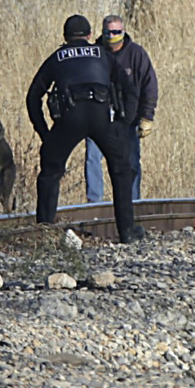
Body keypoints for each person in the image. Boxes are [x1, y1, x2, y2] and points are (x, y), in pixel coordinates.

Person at [25, 14, 146, 243]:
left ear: (65, 37)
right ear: (90, 36)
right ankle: (127, 232)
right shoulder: (103, 55)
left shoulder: (57, 57)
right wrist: (123, 123)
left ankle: (45, 233)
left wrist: (46, 135)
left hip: (69, 119)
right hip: (101, 117)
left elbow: (33, 97)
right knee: (121, 170)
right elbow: (130, 90)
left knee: (50, 173)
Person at [85, 14, 159, 203]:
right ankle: (95, 203)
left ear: (123, 31)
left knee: (132, 162)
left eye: (117, 32)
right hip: (98, 118)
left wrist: (147, 117)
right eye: (108, 32)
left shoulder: (136, 54)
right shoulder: (95, 53)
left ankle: (132, 202)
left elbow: (149, 85)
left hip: (128, 118)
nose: (112, 36)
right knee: (93, 159)